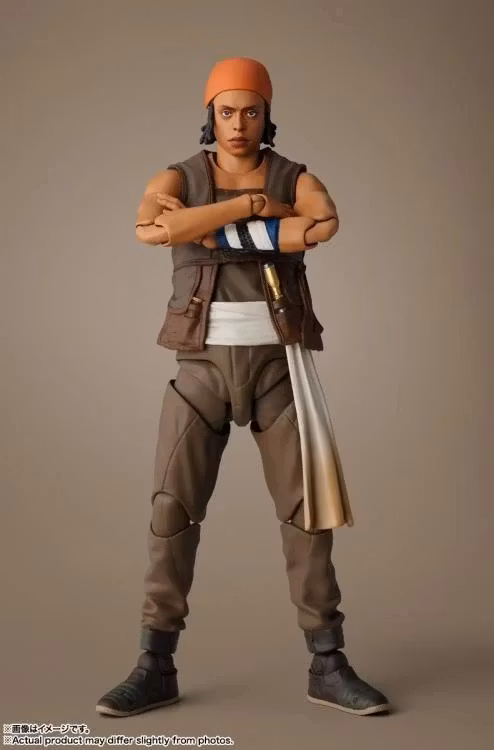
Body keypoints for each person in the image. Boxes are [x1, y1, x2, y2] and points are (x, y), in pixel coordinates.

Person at [96, 57, 391, 718]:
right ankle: (154, 664)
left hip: (278, 368)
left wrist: (205, 226)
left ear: (266, 113)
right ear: (211, 114)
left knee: (308, 515)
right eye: (227, 111)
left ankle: (328, 663)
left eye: (250, 111)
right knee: (171, 513)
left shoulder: (295, 175)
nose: (238, 123)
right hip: (200, 370)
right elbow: (150, 229)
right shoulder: (178, 176)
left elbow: (321, 224)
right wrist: (254, 211)